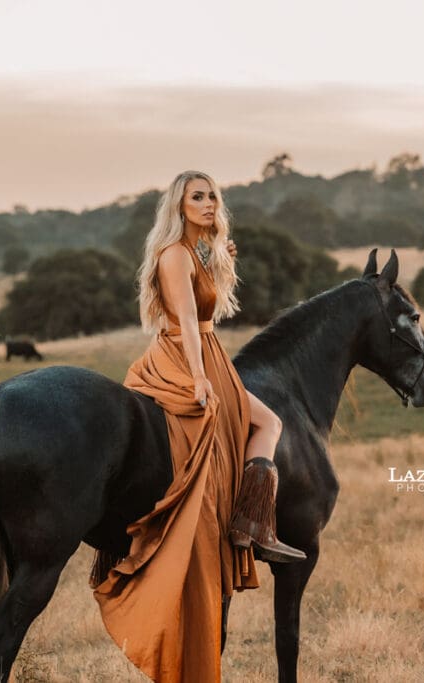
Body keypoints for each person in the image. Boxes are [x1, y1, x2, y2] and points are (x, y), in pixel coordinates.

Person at [92, 170, 305, 682]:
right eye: (198, 197)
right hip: (186, 355)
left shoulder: (198, 252)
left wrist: (220, 260)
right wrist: (198, 377)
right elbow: (187, 321)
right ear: (179, 205)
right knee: (250, 426)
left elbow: (211, 310)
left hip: (211, 353)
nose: (209, 204)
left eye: (213, 196)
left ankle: (252, 523)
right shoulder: (173, 255)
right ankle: (244, 524)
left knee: (268, 423)